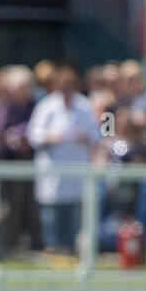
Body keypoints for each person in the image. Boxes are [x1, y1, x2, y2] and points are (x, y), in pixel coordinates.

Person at [25, 60, 100, 253]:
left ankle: (70, 252)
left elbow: (97, 135)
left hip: (77, 173)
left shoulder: (85, 106)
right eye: (63, 85)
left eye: (71, 85)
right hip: (52, 173)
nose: (67, 90)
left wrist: (85, 137)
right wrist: (51, 137)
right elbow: (33, 135)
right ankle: (52, 250)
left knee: (74, 215)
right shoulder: (46, 106)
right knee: (52, 216)